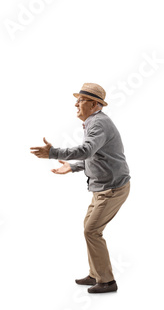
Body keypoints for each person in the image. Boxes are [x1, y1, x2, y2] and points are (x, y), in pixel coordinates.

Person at [30, 83, 130, 294]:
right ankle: (96, 273)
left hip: (112, 188)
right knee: (89, 228)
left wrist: (53, 152)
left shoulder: (98, 123)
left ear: (94, 104)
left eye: (81, 100)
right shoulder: (94, 121)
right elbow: (98, 156)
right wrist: (73, 167)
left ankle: (107, 281)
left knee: (91, 231)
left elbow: (86, 150)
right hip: (101, 187)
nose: (76, 103)